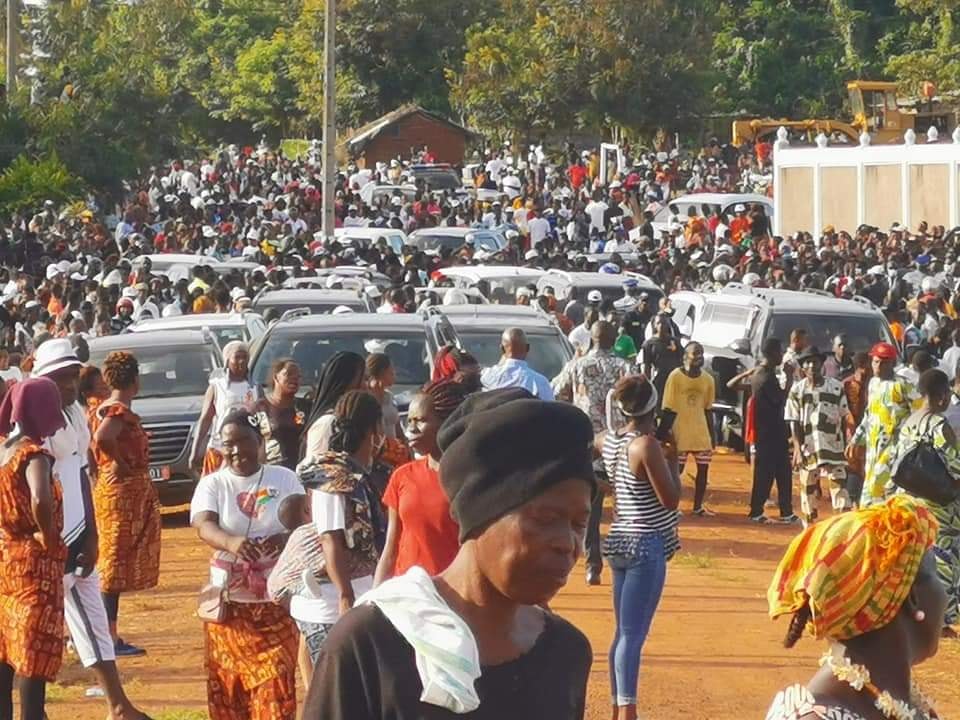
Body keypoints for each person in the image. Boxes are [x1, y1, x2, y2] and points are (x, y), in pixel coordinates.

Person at [305, 390, 594, 719]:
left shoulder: (565, 654)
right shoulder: (370, 645)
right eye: (545, 519)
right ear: (480, 516)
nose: (568, 543)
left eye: (579, 524)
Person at [34, 340, 149, 719]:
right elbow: (37, 496)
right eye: (60, 379)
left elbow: (83, 475)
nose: (68, 386)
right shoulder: (33, 428)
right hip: (48, 545)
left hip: (80, 535)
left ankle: (119, 705)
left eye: (72, 377)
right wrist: (52, 543)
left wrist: (94, 534)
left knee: (95, 623)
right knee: (37, 635)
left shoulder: (76, 418)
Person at [766, 496, 946, 720]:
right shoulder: (816, 716)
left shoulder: (894, 698)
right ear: (912, 596)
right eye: (937, 576)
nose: (945, 594)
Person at [190, 407, 303, 720]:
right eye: (229, 444)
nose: (236, 450)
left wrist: (282, 541)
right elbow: (203, 525)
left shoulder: (286, 479)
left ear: (260, 441)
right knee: (229, 693)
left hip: (276, 608)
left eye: (243, 441)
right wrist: (232, 543)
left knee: (277, 688)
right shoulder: (213, 484)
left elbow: (303, 523)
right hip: (229, 611)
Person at [283, 390, 387, 665]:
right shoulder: (333, 477)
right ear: (374, 428)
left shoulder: (358, 473)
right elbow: (331, 538)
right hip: (330, 606)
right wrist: (345, 597)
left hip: (356, 597)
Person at [601, 376, 680, 720]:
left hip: (619, 538)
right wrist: (672, 460)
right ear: (653, 404)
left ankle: (618, 706)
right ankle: (627, 710)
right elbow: (671, 499)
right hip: (646, 543)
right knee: (633, 636)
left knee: (622, 634)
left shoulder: (609, 440)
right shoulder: (647, 446)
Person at [0, 378, 67, 720]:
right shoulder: (34, 454)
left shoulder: (3, 450)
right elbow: (41, 498)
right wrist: (49, 534)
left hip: (6, 560)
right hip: (33, 567)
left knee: (8, 649)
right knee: (32, 653)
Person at [91, 351, 162, 657]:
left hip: (117, 491)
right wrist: (119, 462)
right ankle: (108, 637)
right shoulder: (116, 411)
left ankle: (106, 634)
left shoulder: (103, 407)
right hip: (121, 494)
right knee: (113, 564)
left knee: (112, 561)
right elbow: (103, 438)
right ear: (135, 380)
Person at [553, 320, 630, 585]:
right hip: (620, 443)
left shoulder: (576, 365)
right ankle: (624, 560)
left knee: (592, 508)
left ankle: (592, 566)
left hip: (587, 443)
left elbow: (557, 393)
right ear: (613, 339)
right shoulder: (625, 367)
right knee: (625, 505)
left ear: (591, 339)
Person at [375, 380, 467, 585]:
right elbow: (390, 549)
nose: (411, 429)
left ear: (447, 423)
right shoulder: (402, 476)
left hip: (454, 595)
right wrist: (374, 599)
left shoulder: (469, 478)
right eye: (409, 421)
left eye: (421, 420)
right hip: (407, 596)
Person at [890, 368, 960, 636]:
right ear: (942, 397)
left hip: (910, 500)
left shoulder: (910, 421)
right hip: (939, 507)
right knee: (945, 560)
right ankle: (941, 621)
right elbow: (955, 467)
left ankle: (912, 612)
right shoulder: (939, 426)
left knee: (915, 560)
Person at [786, 346, 851, 527]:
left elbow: (844, 416)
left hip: (833, 447)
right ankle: (809, 529)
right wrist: (798, 449)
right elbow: (794, 420)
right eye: (807, 362)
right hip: (808, 447)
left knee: (839, 488)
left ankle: (841, 528)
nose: (811, 366)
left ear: (822, 364)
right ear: (802, 367)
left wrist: (845, 444)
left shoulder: (836, 387)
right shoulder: (797, 391)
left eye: (815, 362)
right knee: (808, 489)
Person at [850, 342, 919, 507]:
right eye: (876, 362)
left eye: (884, 362)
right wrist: (855, 439)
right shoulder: (873, 383)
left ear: (893, 363)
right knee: (870, 497)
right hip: (873, 451)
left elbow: (919, 414)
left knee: (884, 498)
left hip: (894, 452)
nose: (878, 366)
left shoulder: (903, 385)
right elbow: (869, 415)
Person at [747, 338, 798, 523]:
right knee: (766, 474)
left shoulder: (763, 373)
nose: (781, 355)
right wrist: (790, 377)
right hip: (769, 433)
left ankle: (785, 511)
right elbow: (780, 400)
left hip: (771, 432)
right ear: (772, 353)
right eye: (779, 351)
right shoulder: (766, 376)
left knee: (782, 472)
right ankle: (756, 511)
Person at [662, 342, 716, 516]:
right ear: (685, 356)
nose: (699, 356)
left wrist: (712, 434)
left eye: (701, 353)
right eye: (695, 353)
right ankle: (673, 506)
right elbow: (668, 407)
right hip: (680, 431)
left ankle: (698, 506)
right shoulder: (675, 377)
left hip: (700, 432)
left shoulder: (708, 379)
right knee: (676, 472)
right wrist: (665, 433)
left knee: (703, 471)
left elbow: (708, 409)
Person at [191, 341, 260, 476]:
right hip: (219, 449)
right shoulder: (217, 387)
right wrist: (195, 451)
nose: (241, 361)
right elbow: (205, 419)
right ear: (227, 360)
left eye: (245, 357)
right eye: (237, 357)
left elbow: (261, 419)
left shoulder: (255, 387)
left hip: (247, 450)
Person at [303, 351, 366, 461]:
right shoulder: (327, 423)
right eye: (363, 379)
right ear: (347, 382)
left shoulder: (356, 418)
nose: (367, 385)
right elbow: (315, 471)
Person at [253, 358, 306, 471]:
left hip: (302, 471)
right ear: (276, 377)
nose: (294, 378)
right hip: (273, 472)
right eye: (289, 374)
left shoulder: (305, 407)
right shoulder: (260, 408)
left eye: (298, 376)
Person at [480, 327, 555, 400]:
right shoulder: (540, 382)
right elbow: (552, 410)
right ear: (527, 348)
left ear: (502, 349)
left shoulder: (486, 376)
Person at [366, 353, 408, 468]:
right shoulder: (365, 399)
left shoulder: (389, 397)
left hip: (394, 456)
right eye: (391, 370)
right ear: (382, 372)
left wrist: (406, 448)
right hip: (375, 460)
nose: (394, 374)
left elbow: (397, 426)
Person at [843, 352, 871, 507]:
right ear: (861, 367)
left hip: (869, 433)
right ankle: (853, 501)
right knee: (853, 466)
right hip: (852, 433)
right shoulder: (846, 385)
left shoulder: (873, 385)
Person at [641, 314, 683, 404]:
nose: (662, 325)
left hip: (675, 379)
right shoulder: (649, 344)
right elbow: (647, 366)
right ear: (655, 325)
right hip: (659, 380)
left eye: (664, 323)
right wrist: (646, 384)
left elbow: (682, 360)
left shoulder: (674, 342)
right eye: (659, 323)